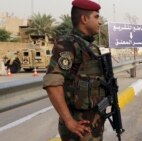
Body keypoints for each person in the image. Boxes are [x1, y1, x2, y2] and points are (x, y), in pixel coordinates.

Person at [43, 0, 106, 140]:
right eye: (96, 17)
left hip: (93, 125)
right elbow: (52, 82)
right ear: (84, 19)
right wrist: (69, 121)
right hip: (79, 128)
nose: (100, 22)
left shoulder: (89, 47)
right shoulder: (68, 44)